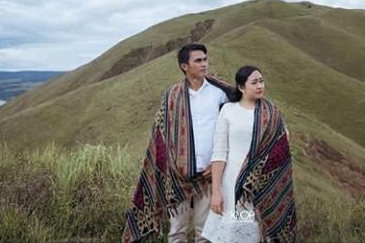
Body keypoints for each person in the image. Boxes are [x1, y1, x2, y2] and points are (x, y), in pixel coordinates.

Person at [123, 43, 233, 243]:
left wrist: (218, 164)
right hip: (176, 177)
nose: (204, 64)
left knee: (206, 233)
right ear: (185, 66)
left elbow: (230, 131)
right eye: (198, 60)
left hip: (209, 175)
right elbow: (161, 134)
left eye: (205, 59)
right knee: (176, 231)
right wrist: (170, 167)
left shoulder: (220, 93)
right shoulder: (172, 95)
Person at [201, 66, 298, 243]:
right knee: (233, 235)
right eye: (254, 82)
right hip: (233, 186)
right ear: (241, 87)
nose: (260, 85)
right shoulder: (228, 110)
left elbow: (282, 148)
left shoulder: (272, 113)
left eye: (261, 81)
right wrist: (216, 191)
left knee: (260, 234)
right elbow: (219, 153)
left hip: (263, 185)